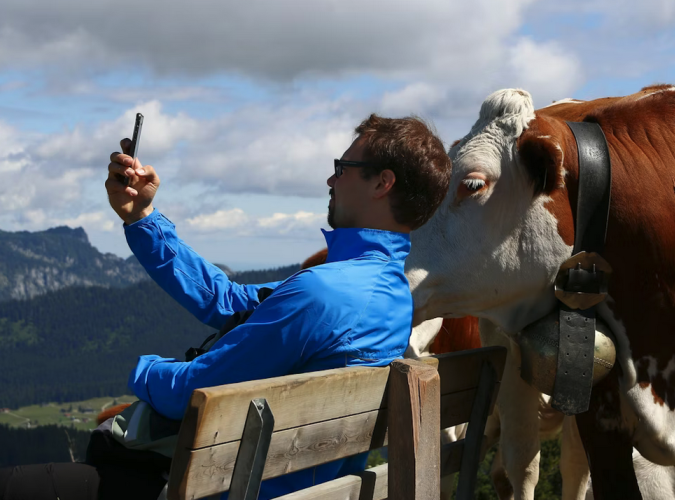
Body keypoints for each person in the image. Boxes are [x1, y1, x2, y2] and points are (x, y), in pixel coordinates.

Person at [0, 114, 450, 500]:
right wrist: (142, 218)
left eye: (344, 167)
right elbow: (234, 302)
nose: (331, 180)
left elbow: (195, 392)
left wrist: (142, 370)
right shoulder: (387, 294)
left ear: (383, 183)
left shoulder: (325, 293)